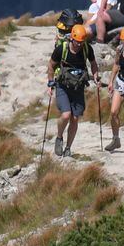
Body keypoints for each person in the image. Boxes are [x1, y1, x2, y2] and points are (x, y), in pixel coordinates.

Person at [46, 23, 100, 157]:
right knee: (66, 115)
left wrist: (95, 76)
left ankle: (68, 148)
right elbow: (51, 65)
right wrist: (50, 82)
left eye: (81, 42)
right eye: (77, 42)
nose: (79, 45)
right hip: (62, 85)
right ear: (71, 38)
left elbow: (93, 63)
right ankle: (59, 137)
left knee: (75, 118)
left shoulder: (87, 49)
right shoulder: (61, 49)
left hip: (78, 87)